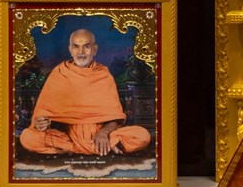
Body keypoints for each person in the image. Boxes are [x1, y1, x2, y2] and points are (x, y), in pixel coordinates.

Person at [18, 29, 151, 156]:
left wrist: (104, 132)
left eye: (86, 46)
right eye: (76, 47)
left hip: (99, 135)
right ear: (70, 50)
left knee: (142, 135)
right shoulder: (59, 73)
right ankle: (103, 147)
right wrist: (42, 123)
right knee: (28, 137)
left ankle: (75, 148)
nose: (81, 52)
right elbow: (44, 115)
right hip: (67, 136)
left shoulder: (103, 75)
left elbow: (115, 118)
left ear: (95, 49)